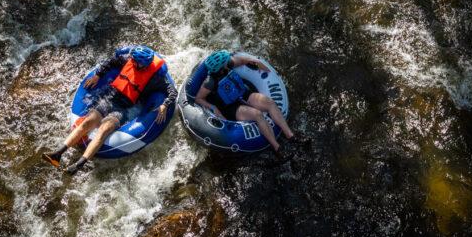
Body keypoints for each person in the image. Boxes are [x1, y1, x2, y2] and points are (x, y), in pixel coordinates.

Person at [42, 45, 176, 175]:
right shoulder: (126, 61)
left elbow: (172, 92)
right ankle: (57, 154)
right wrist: (98, 75)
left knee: (104, 130)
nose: (132, 60)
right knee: (87, 123)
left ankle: (79, 165)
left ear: (143, 64)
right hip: (108, 99)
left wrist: (165, 104)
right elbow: (110, 62)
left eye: (135, 61)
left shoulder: (155, 78)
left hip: (123, 108)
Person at [194, 50, 295, 156]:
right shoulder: (210, 82)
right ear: (220, 68)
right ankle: (277, 148)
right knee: (257, 114)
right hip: (230, 106)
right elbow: (199, 98)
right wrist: (213, 107)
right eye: (225, 61)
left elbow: (242, 60)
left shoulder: (229, 64)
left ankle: (290, 136)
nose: (228, 61)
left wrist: (255, 61)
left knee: (270, 103)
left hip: (242, 93)